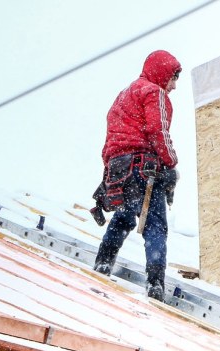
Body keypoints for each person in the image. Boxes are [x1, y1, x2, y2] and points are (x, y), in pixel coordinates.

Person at [93, 50, 181, 302]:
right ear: (162, 74)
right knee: (155, 225)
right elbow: (158, 131)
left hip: (118, 169)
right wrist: (171, 163)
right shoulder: (154, 92)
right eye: (172, 79)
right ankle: (155, 283)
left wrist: (111, 169)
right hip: (143, 167)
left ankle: (103, 263)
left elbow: (111, 136)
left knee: (123, 218)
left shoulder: (125, 94)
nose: (173, 86)